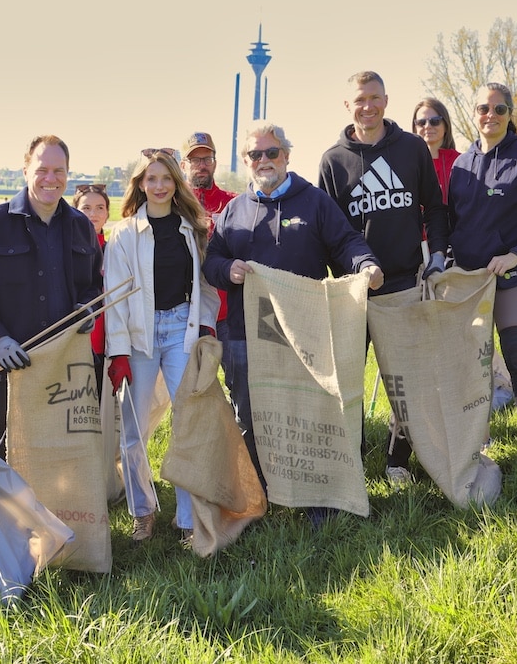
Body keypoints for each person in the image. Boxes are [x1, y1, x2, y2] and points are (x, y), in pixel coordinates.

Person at [203, 121, 382, 500]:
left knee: (307, 409)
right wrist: (226, 269)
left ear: (286, 155)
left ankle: (316, 492)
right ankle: (262, 491)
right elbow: (212, 259)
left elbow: (346, 241)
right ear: (246, 161)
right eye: (255, 154)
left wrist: (365, 264)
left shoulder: (314, 201)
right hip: (243, 331)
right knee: (250, 412)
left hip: (303, 328)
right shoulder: (233, 210)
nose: (264, 160)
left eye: (272, 153)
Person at [318, 72, 450, 485]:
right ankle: (350, 465)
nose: (368, 106)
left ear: (387, 101)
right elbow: (330, 231)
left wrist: (439, 256)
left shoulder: (411, 149)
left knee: (407, 381)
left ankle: (398, 460)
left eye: (375, 98)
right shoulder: (333, 160)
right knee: (349, 383)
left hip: (405, 284)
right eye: (360, 100)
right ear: (347, 105)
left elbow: (436, 208)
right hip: (354, 293)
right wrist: (341, 281)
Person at [103, 149, 220, 546]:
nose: (158, 186)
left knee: (187, 422)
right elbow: (114, 298)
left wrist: (205, 324)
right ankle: (143, 511)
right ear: (140, 184)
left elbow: (204, 285)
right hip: (138, 336)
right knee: (133, 431)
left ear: (176, 183)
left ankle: (187, 519)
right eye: (150, 179)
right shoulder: (122, 235)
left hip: (179, 330)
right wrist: (118, 351)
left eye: (166, 178)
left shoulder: (192, 228)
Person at [447, 83, 517, 480]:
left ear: (510, 113)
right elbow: (451, 223)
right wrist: (445, 261)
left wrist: (515, 253)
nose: (490, 115)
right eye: (483, 108)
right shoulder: (460, 167)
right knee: (473, 366)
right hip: (470, 285)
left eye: (499, 108)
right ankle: (479, 445)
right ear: (473, 113)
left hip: (514, 277)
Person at [0, 135, 103, 460]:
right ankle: (10, 511)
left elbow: (93, 287)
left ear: (68, 173)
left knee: (62, 450)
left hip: (64, 362)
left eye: (59, 170)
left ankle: (55, 512)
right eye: (42, 169)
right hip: (11, 363)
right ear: (26, 169)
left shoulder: (82, 227)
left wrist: (87, 309)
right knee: (12, 447)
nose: (51, 179)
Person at [180, 132, 237, 348]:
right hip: (184, 314)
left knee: (237, 377)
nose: (201, 165)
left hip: (226, 313)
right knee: (188, 380)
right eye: (195, 160)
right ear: (183, 165)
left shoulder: (233, 203)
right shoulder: (173, 204)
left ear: (214, 164)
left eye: (207, 159)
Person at [72, 183, 110, 396]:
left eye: (99, 208)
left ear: (107, 213)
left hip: (104, 341)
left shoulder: (114, 249)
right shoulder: (62, 248)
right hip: (72, 340)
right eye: (86, 208)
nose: (93, 214)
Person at [412, 97, 460, 203]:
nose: (428, 126)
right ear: (415, 127)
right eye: (421, 122)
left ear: (446, 125)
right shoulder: (407, 163)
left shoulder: (461, 162)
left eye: (435, 121)